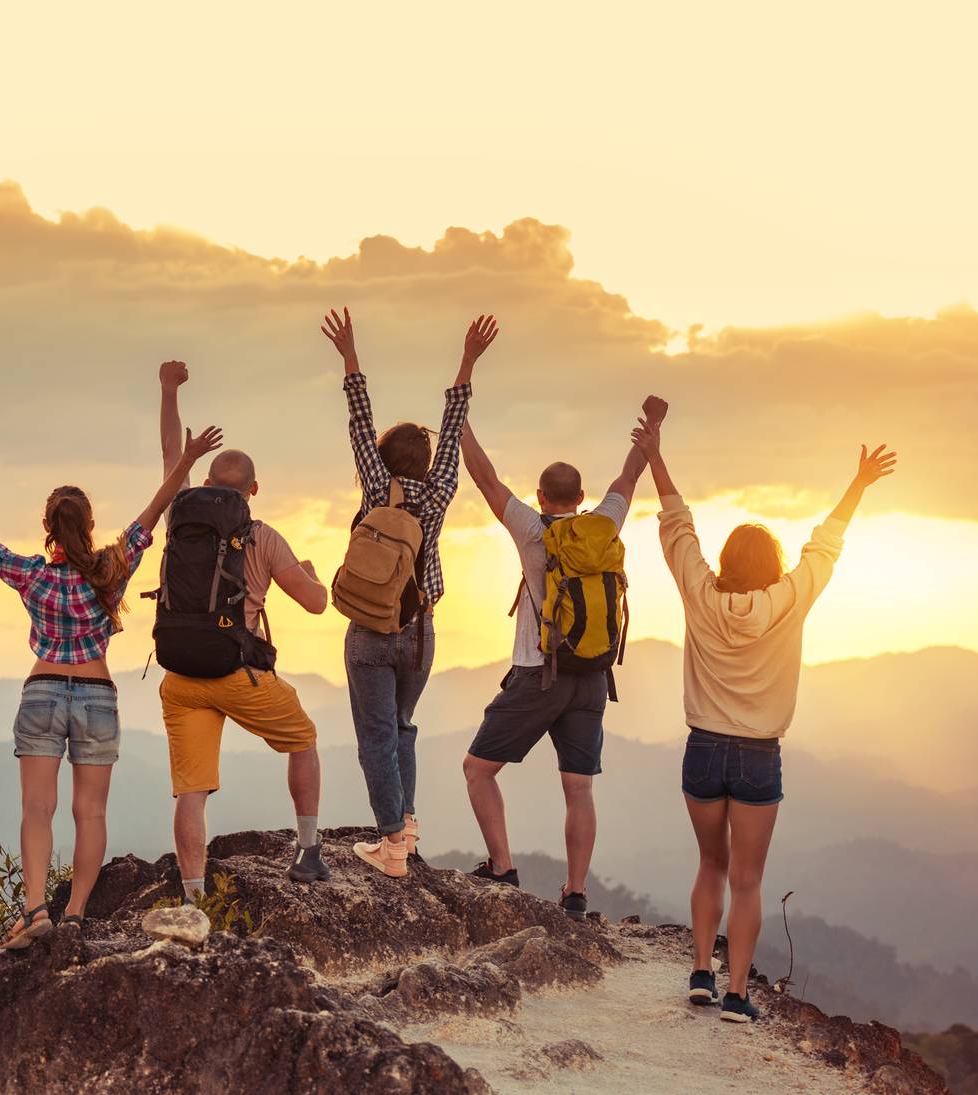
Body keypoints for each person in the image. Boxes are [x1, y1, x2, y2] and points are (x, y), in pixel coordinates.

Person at [0, 413, 223, 946]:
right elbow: (156, 509)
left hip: (41, 692)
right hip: (96, 696)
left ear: (48, 528)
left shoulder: (33, 574)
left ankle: (36, 909)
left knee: (36, 810)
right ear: (88, 526)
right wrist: (188, 459)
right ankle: (77, 914)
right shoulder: (111, 568)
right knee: (90, 812)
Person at [633, 420, 897, 1025]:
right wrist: (858, 484)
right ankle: (736, 994)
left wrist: (654, 455)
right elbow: (825, 544)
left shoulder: (700, 593)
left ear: (726, 562)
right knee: (748, 881)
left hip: (702, 749)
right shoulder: (789, 600)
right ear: (773, 563)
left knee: (711, 865)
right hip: (757, 755)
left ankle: (700, 972)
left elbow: (678, 527)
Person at [456, 394, 667, 918]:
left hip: (538, 674)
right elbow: (626, 482)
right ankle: (575, 893)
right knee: (579, 787)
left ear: (541, 496)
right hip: (593, 677)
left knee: (478, 770)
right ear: (580, 498)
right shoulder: (604, 525)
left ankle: (502, 869)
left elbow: (486, 480)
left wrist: (458, 424)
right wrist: (651, 432)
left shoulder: (532, 530)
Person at [318, 308, 495, 878]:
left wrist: (349, 354)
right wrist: (467, 359)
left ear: (385, 456)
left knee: (375, 738)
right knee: (402, 727)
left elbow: (356, 418)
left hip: (370, 628)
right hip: (421, 631)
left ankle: (392, 844)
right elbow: (455, 415)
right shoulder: (441, 489)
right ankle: (407, 829)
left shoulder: (377, 486)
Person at [155, 359, 334, 897]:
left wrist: (168, 390)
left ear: (205, 482)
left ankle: (193, 897)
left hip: (180, 675)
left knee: (192, 791)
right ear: (253, 489)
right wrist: (309, 574)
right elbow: (317, 605)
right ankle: (307, 851)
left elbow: (171, 454)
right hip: (236, 672)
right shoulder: (264, 537)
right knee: (303, 739)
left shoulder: (177, 516)